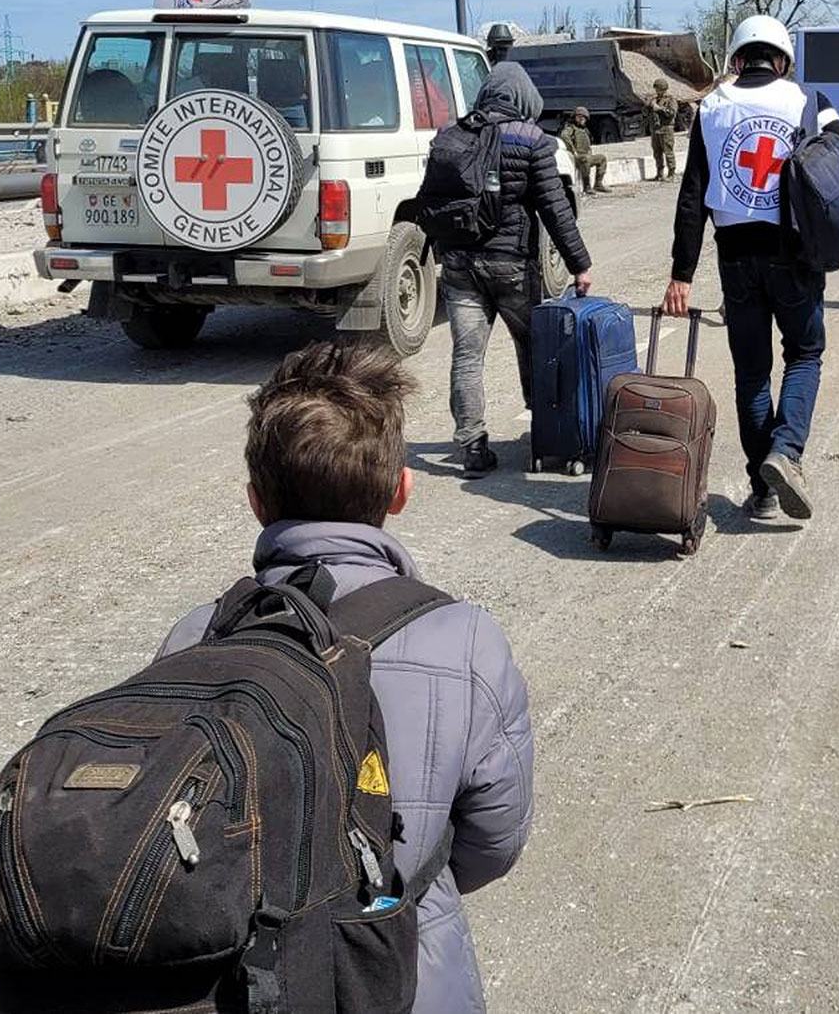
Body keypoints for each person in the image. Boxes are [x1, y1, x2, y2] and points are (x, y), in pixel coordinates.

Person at [157, 341, 534, 1014]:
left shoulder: (195, 635)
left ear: (255, 501)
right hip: (405, 971)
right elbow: (493, 841)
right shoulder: (466, 639)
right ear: (401, 490)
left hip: (239, 986)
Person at [661, 14, 839, 522]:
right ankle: (787, 451)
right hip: (793, 252)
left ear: (735, 59)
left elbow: (692, 198)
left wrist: (680, 274)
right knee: (804, 353)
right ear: (782, 60)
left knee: (751, 374)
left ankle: (764, 491)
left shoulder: (710, 108)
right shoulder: (807, 101)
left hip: (734, 256)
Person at [423, 61, 594, 477]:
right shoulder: (531, 140)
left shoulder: (451, 134)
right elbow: (555, 209)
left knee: (467, 356)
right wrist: (580, 265)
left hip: (460, 264)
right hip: (511, 267)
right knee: (536, 350)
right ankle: (544, 438)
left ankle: (473, 447)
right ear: (523, 98)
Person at [560, 106, 611, 193]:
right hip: (576, 157)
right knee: (585, 159)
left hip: (586, 156)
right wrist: (573, 151)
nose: (582, 119)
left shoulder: (585, 130)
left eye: (584, 118)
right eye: (579, 117)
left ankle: (598, 184)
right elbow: (564, 136)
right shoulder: (570, 128)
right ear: (575, 118)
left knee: (602, 158)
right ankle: (587, 187)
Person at [646, 78, 679, 181]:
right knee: (657, 153)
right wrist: (649, 105)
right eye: (656, 89)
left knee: (668, 152)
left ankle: (671, 174)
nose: (657, 91)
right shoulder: (654, 99)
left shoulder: (670, 100)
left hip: (666, 129)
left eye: (658, 89)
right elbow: (645, 113)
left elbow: (671, 113)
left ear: (663, 89)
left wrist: (659, 108)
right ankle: (659, 173)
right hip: (655, 130)